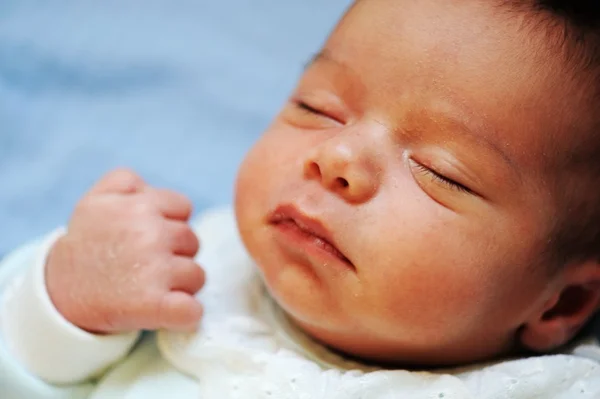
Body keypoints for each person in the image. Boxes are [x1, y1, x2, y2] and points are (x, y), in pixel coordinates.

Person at [2, 0, 600, 398]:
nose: (337, 158)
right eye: (318, 108)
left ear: (561, 303)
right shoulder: (193, 266)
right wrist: (66, 305)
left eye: (439, 173)